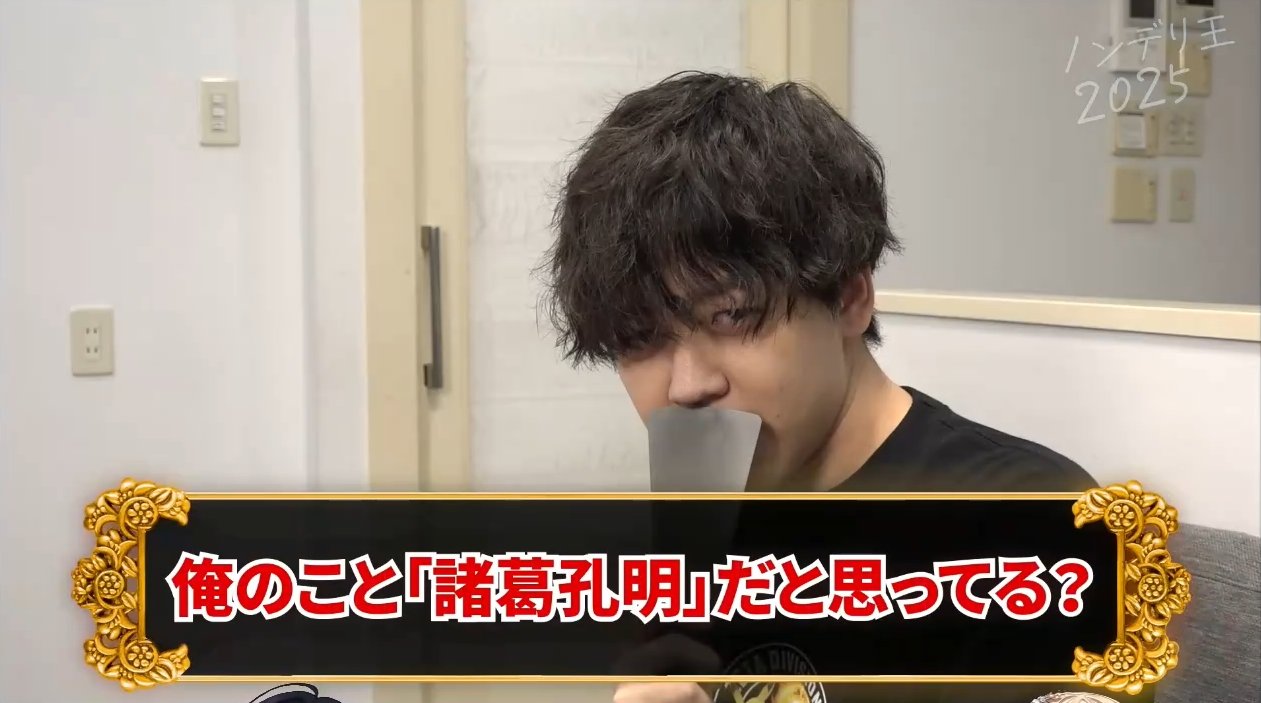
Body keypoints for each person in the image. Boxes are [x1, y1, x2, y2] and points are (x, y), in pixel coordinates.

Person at [540, 72, 1143, 703]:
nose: (687, 387)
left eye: (731, 314)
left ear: (850, 297)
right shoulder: (713, 520)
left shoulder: (1035, 526)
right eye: (639, 336)